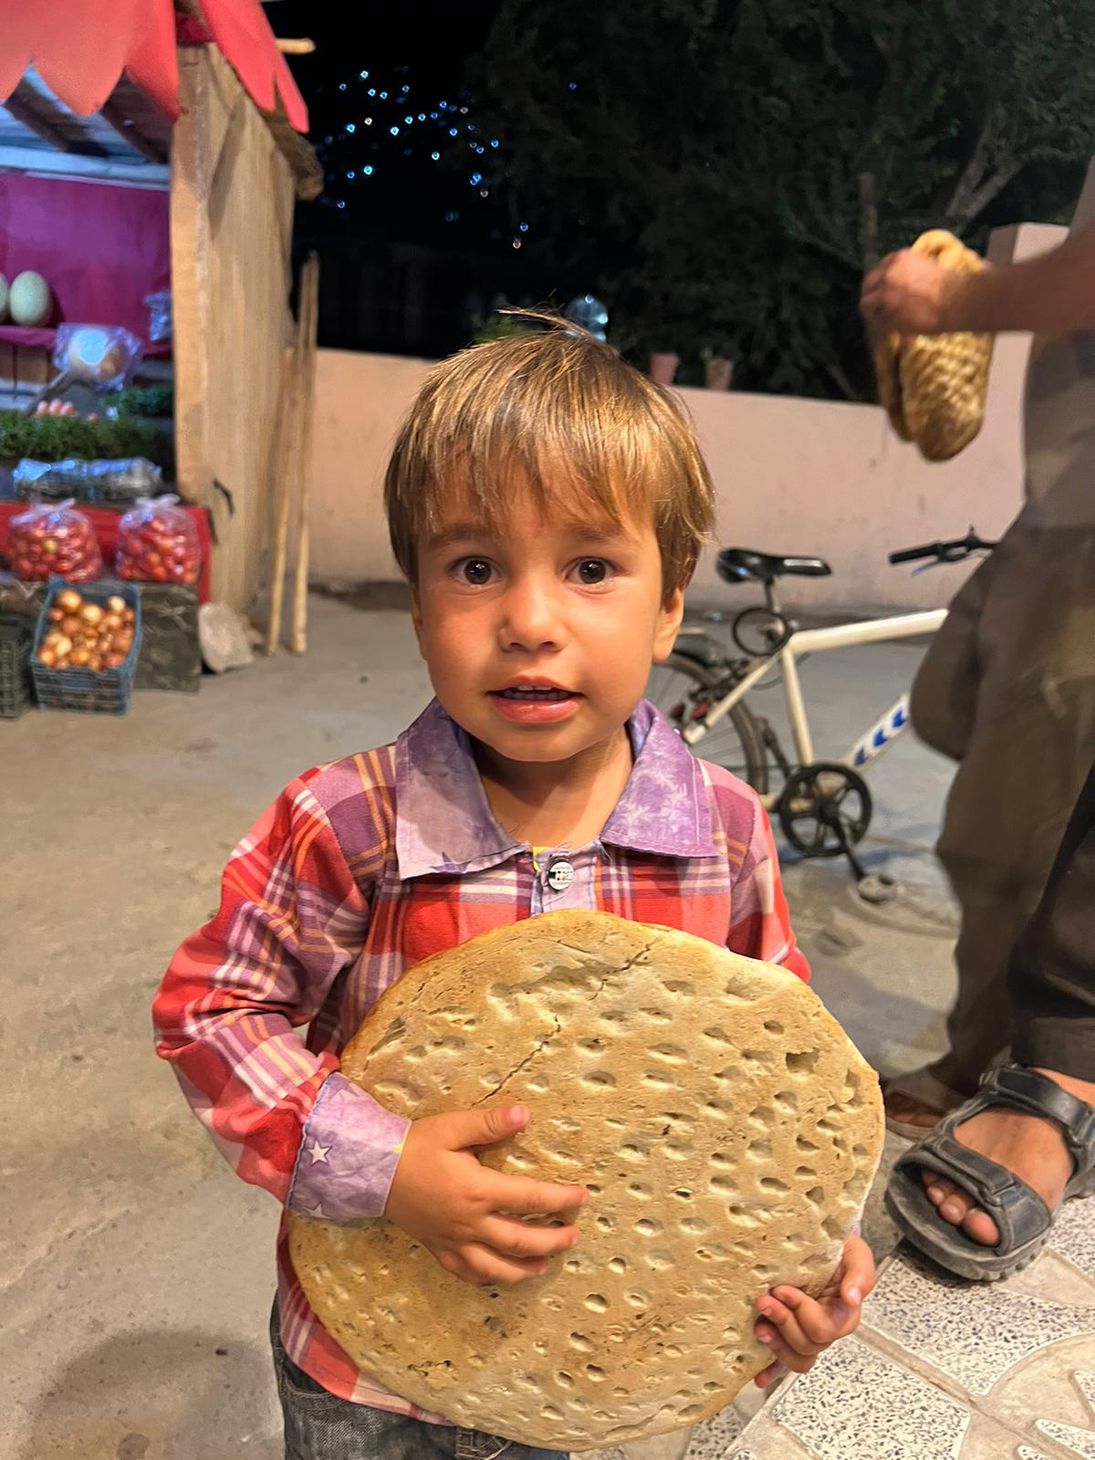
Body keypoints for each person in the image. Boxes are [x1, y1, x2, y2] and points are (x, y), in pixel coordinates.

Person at [153, 318, 874, 1460]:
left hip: (596, 1377)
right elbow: (210, 1010)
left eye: (591, 568)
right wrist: (378, 1165)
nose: (530, 621)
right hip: (366, 1372)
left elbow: (781, 1086)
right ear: (417, 596)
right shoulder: (351, 820)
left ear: (671, 600)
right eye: (475, 566)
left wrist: (810, 1253)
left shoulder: (726, 835)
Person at [860, 170, 1095, 1276]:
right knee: (959, 696)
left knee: (1012, 814)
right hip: (1070, 494)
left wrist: (957, 305)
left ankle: (1043, 1072)